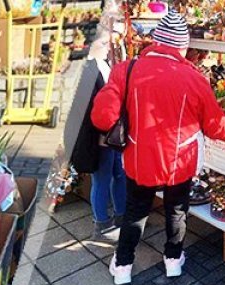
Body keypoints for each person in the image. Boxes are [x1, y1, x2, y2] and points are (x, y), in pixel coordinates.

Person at [90, 11, 225, 285]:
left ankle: (123, 266)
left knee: (136, 212)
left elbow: (102, 117)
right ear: (182, 46)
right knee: (177, 211)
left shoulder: (127, 69)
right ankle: (173, 261)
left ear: (156, 42)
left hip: (140, 157)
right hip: (179, 160)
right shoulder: (194, 77)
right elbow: (216, 128)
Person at [66, 10, 128, 240]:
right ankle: (101, 223)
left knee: (119, 174)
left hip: (111, 133)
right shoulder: (86, 68)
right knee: (102, 179)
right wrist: (99, 134)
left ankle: (121, 215)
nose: (111, 42)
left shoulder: (104, 62)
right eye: (107, 39)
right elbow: (84, 111)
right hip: (100, 136)